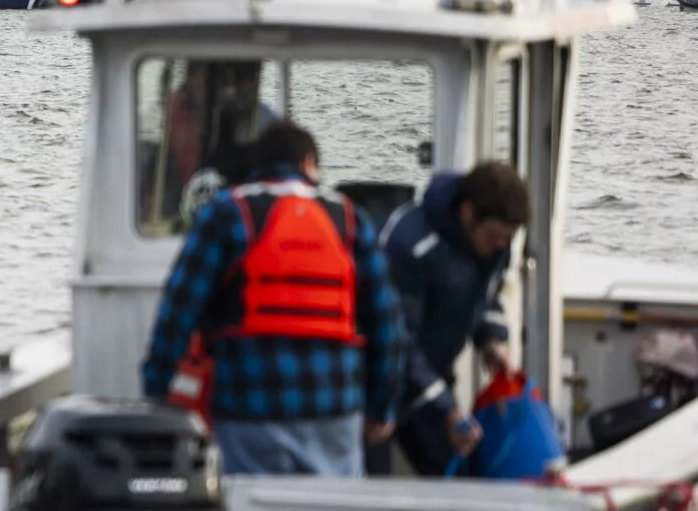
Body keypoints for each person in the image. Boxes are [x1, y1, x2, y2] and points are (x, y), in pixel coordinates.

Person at [140, 119, 409, 476]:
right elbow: (387, 324)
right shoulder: (348, 217)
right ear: (310, 163)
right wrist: (380, 409)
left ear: (258, 167)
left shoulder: (227, 212)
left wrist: (157, 389)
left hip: (250, 406)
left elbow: (179, 310)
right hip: (334, 409)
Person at [379, 160, 529, 475]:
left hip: (433, 372)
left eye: (507, 237)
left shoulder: (495, 244)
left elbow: (485, 294)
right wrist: (445, 409)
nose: (500, 246)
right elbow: (397, 339)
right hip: (381, 379)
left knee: (455, 473)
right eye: (494, 236)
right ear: (467, 213)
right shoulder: (411, 246)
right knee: (367, 487)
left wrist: (491, 340)